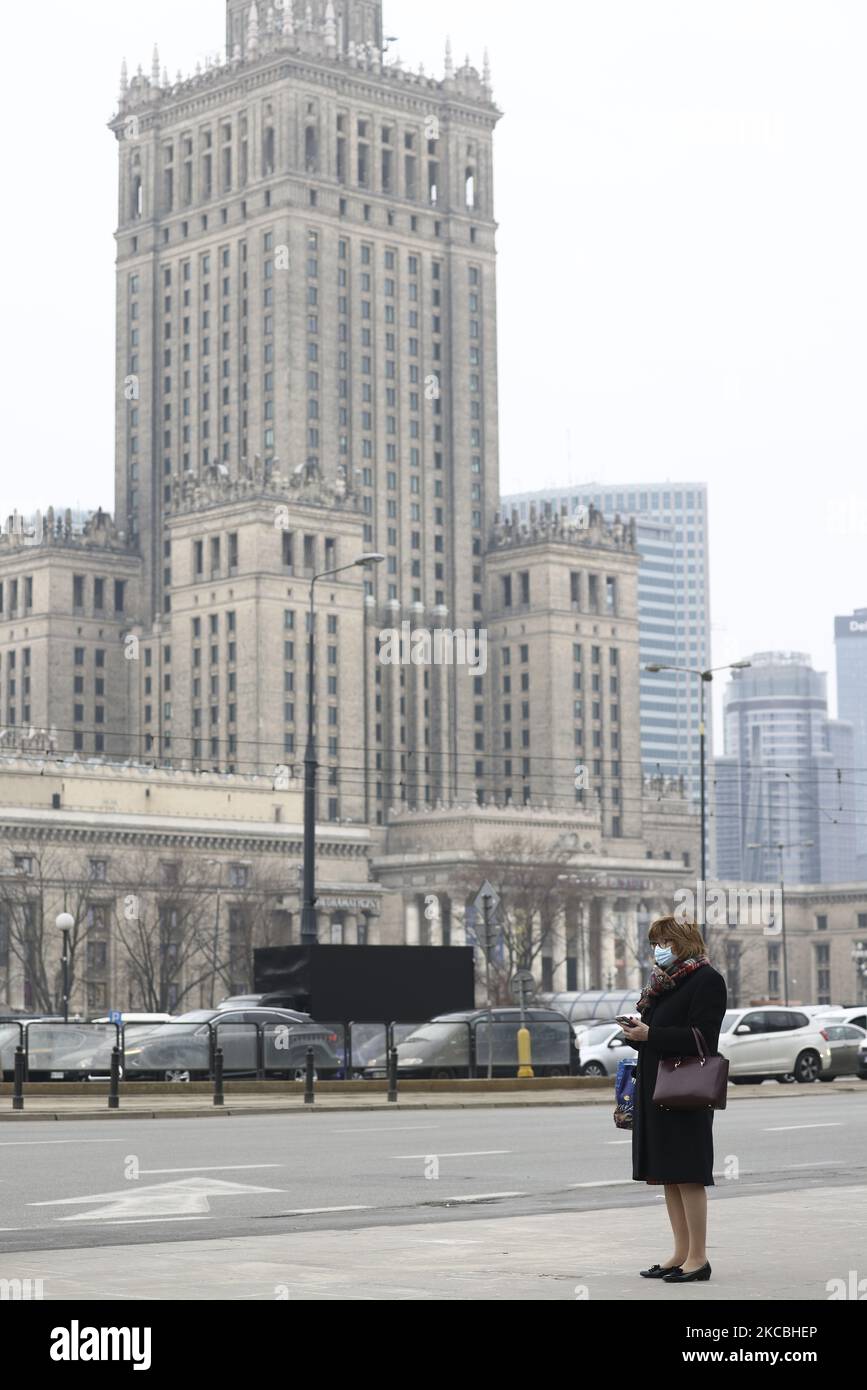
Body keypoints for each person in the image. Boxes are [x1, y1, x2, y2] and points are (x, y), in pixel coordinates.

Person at [621, 914, 727, 1283]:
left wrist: (652, 1035)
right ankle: (679, 1253)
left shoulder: (706, 980)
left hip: (686, 1090)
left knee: (688, 1174)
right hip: (656, 1086)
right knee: (668, 1174)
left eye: (664, 942)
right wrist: (636, 1032)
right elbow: (656, 1031)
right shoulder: (663, 984)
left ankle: (698, 1258)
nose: (658, 950)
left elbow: (703, 1039)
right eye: (654, 943)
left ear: (684, 942)